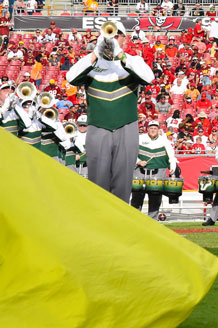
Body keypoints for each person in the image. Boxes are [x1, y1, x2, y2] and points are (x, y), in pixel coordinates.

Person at [67, 22, 154, 203]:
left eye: (116, 35)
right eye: (108, 36)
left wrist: (120, 54)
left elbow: (148, 77)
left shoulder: (132, 60)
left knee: (123, 183)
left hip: (127, 125)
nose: (112, 39)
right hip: (98, 126)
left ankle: (120, 226)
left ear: (124, 38)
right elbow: (71, 77)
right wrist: (96, 53)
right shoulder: (91, 62)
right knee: (97, 181)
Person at [131, 120, 176, 220]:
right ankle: (133, 220)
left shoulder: (164, 141)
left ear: (158, 130)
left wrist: (172, 168)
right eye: (151, 128)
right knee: (137, 197)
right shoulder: (139, 138)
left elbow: (172, 156)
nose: (153, 130)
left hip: (158, 173)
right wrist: (138, 162)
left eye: (155, 128)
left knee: (155, 198)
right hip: (140, 172)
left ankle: (152, 221)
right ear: (147, 129)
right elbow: (131, 153)